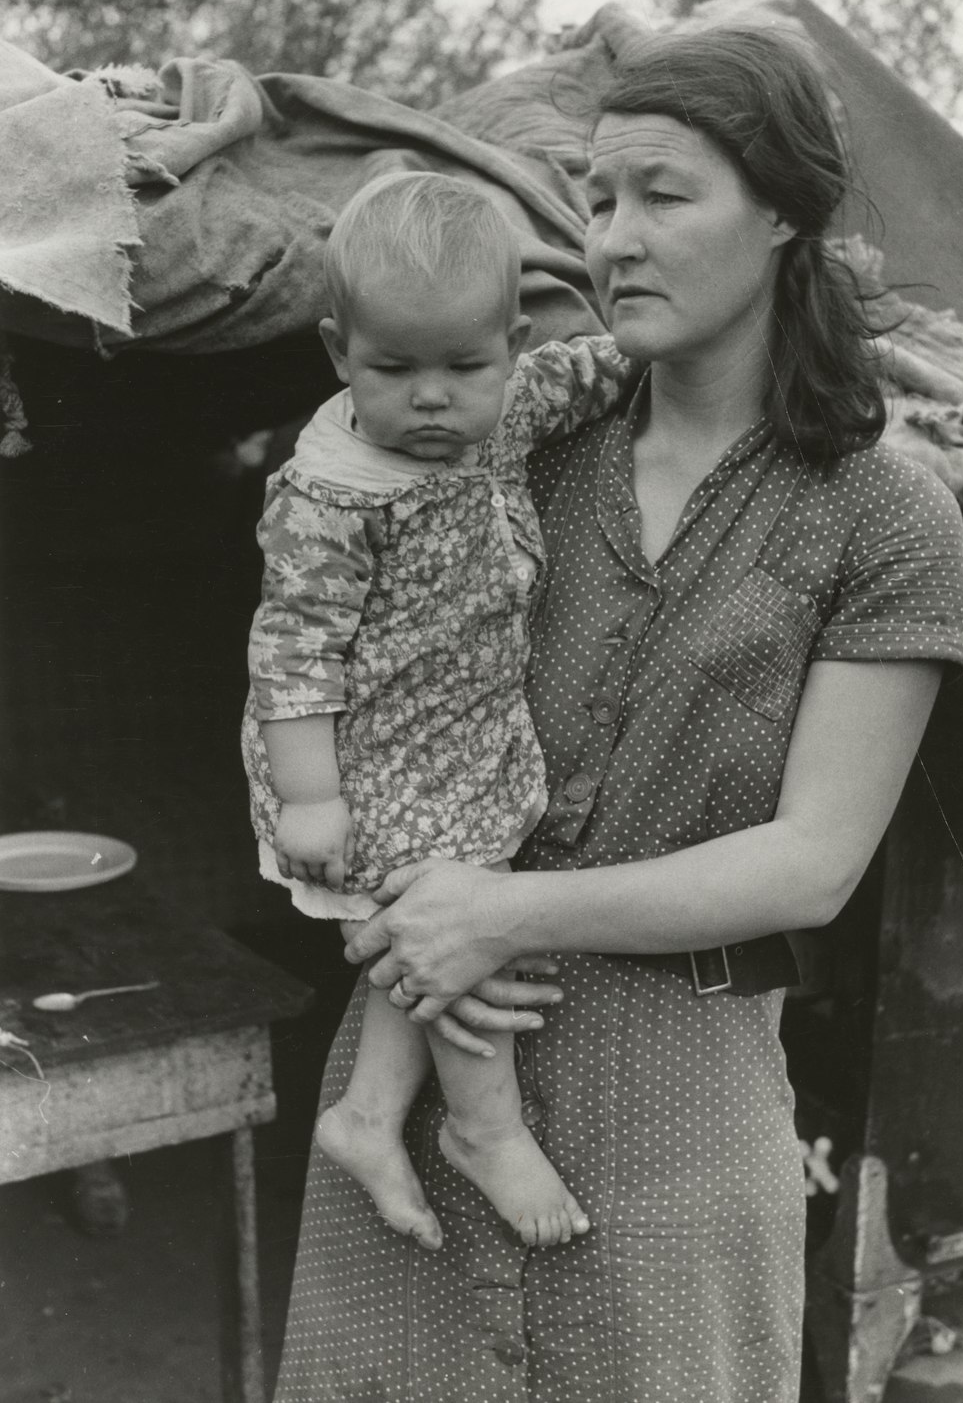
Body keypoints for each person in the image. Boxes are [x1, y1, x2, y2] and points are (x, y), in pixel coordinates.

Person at [271, 25, 963, 1403]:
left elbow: (813, 861)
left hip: (679, 1101)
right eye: (597, 199)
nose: (615, 237)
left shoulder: (883, 510)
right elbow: (345, 621)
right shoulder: (513, 435)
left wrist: (499, 911)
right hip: (418, 1068)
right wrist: (371, 875)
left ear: (783, 211)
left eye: (665, 193)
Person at [242, 171, 634, 1250]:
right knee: (457, 931)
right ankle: (482, 1126)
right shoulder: (333, 497)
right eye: (392, 368)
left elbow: (580, 375)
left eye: (463, 365)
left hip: (456, 740)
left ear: (506, 346)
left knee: (441, 927)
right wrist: (311, 796)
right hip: (361, 761)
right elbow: (292, 650)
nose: (429, 398)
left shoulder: (497, 411)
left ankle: (368, 1115)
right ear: (337, 355)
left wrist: (653, 347)